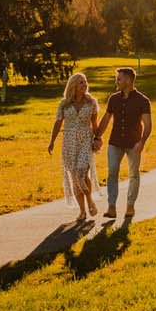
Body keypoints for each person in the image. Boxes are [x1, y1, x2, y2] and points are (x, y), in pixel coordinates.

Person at [94, 66, 152, 219]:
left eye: (119, 79)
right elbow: (106, 119)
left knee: (133, 174)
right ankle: (111, 207)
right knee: (112, 172)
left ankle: (130, 206)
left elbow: (148, 124)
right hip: (115, 142)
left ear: (128, 80)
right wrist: (97, 136)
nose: (116, 81)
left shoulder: (143, 101)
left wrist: (142, 142)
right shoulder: (113, 98)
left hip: (134, 144)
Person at [47, 72, 101, 222]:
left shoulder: (91, 102)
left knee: (81, 171)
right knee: (75, 178)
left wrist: (98, 139)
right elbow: (58, 122)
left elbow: (95, 125)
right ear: (73, 86)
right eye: (81, 83)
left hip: (85, 140)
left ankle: (90, 200)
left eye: (85, 82)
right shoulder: (64, 103)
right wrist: (51, 141)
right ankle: (82, 211)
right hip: (69, 142)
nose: (84, 85)